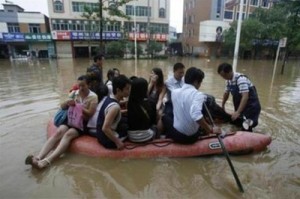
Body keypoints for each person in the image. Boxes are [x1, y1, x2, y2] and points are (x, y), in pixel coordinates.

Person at [25, 75, 98, 169]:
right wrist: (67, 103)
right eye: (79, 85)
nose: (80, 88)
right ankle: (39, 157)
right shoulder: (74, 93)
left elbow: (90, 114)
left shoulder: (93, 97)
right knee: (59, 132)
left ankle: (47, 161)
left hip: (83, 123)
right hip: (71, 119)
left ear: (88, 85)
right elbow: (62, 107)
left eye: (83, 85)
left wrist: (78, 106)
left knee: (68, 134)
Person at [162, 67, 221, 144]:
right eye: (200, 82)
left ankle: (160, 137)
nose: (200, 85)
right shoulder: (198, 95)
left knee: (164, 117)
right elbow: (196, 115)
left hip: (179, 136)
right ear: (196, 82)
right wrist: (211, 130)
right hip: (191, 137)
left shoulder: (174, 92)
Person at [217, 62, 261, 131]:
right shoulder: (228, 81)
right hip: (241, 107)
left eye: (224, 76)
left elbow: (245, 97)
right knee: (234, 122)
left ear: (230, 71)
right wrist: (222, 105)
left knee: (246, 127)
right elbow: (226, 93)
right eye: (222, 76)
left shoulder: (241, 79)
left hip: (251, 107)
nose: (224, 78)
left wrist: (238, 112)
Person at [96, 75, 131, 149]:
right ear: (118, 90)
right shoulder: (114, 107)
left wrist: (125, 111)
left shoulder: (109, 97)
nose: (129, 91)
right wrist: (118, 142)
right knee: (127, 129)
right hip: (106, 139)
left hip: (99, 134)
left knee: (124, 120)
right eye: (127, 89)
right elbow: (105, 128)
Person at [127, 77, 157, 142]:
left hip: (131, 137)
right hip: (146, 136)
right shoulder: (150, 103)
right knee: (155, 127)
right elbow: (153, 121)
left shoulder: (129, 102)